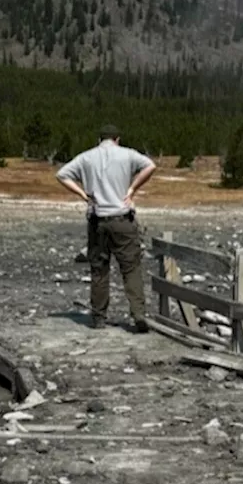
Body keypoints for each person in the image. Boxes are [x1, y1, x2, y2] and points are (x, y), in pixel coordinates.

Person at [56, 124, 157, 332]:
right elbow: (150, 166)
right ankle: (138, 314)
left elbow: (62, 174)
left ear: (99, 140)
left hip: (97, 218)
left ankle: (99, 317)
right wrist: (132, 189)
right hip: (122, 217)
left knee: (99, 269)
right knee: (131, 268)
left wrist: (83, 195)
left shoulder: (86, 157)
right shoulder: (128, 154)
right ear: (117, 139)